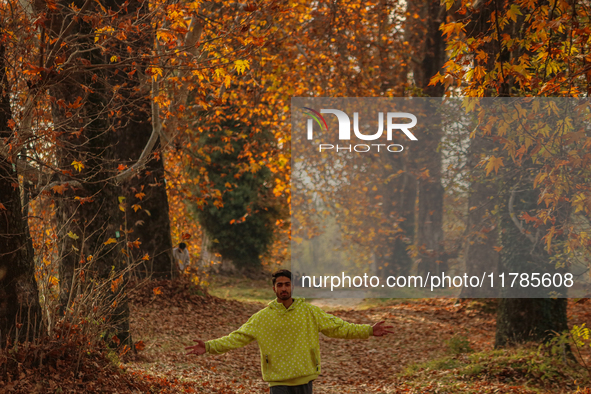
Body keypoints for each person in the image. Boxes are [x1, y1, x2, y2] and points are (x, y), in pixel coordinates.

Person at [185, 269, 393, 393]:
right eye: (279, 285)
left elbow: (339, 327)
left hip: (305, 379)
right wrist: (210, 346)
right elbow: (237, 338)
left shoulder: (309, 312)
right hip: (278, 382)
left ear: (292, 286)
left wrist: (367, 330)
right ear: (273, 289)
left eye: (287, 284)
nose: (283, 288)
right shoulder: (262, 318)